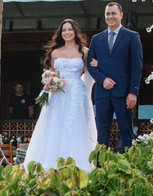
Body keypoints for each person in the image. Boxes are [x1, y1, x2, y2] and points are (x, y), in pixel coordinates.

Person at [23, 19, 98, 172]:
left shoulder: (84, 51)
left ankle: (77, 164)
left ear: (75, 32)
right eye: (64, 30)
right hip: (58, 93)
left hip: (76, 92)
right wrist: (50, 81)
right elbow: (51, 72)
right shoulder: (55, 52)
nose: (67, 33)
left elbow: (89, 71)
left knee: (76, 126)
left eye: (70, 29)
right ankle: (52, 163)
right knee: (56, 124)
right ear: (60, 33)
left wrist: (96, 65)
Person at [87, 1, 142, 153]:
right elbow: (90, 65)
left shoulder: (131, 36)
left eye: (113, 13)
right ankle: (100, 167)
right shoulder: (96, 39)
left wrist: (133, 92)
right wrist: (102, 79)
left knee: (126, 132)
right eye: (108, 14)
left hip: (124, 93)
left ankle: (128, 167)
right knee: (101, 133)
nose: (110, 17)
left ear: (121, 15)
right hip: (102, 93)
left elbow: (136, 67)